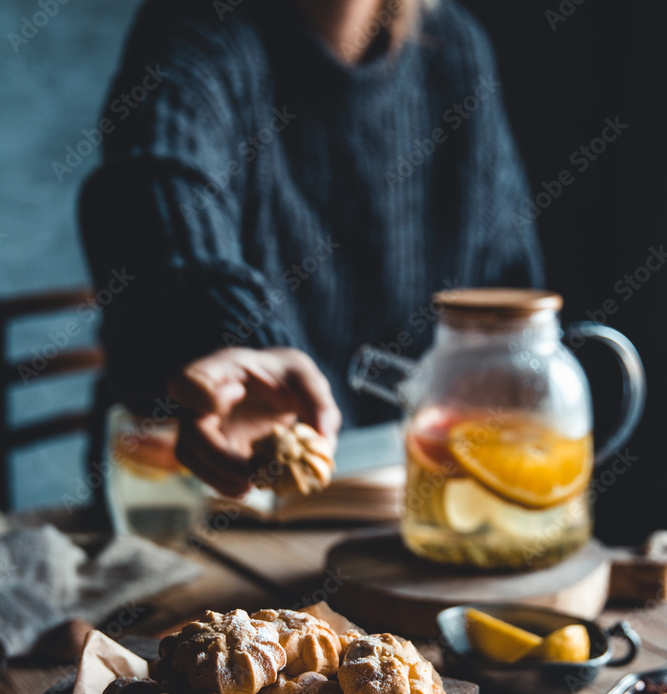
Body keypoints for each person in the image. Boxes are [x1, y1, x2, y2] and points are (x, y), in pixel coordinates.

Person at [80, 0, 543, 497]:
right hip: (212, 505)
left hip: (406, 505)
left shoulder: (455, 48)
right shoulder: (201, 27)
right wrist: (238, 344)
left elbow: (509, 285)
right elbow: (156, 183)